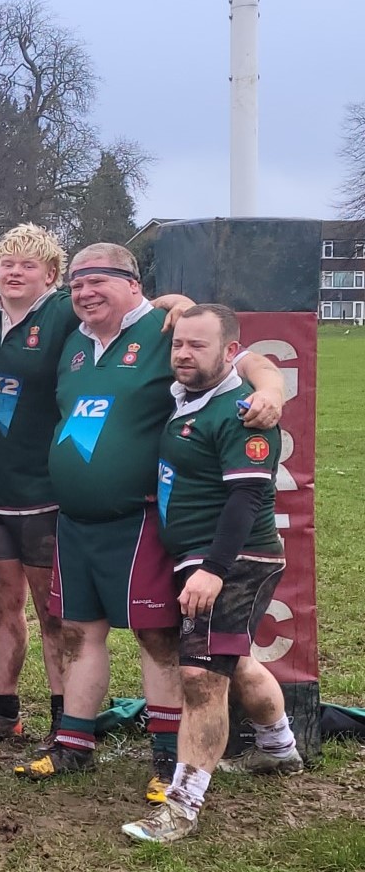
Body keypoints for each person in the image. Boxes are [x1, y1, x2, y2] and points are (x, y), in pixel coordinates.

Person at [16, 243, 285, 804]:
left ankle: (166, 753)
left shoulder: (167, 328)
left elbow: (245, 358)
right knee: (76, 631)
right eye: (78, 283)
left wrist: (271, 388)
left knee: (156, 636)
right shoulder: (73, 340)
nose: (86, 293)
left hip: (138, 518)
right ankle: (74, 742)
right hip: (75, 518)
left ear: (134, 284)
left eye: (100, 282)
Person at [122, 304, 301, 843]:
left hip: (233, 557)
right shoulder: (186, 399)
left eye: (197, 346)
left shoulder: (242, 412)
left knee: (200, 676)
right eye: (178, 344)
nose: (183, 353)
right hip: (198, 557)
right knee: (231, 658)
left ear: (231, 354)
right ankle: (279, 749)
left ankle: (181, 806)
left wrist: (214, 571)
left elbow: (248, 498)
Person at [0, 225, 79, 746]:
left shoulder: (68, 312)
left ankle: (65, 717)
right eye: (7, 262)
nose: (14, 272)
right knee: (0, 602)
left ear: (51, 275)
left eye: (28, 265)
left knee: (54, 609)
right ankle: (2, 707)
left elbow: (148, 311)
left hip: (43, 489)